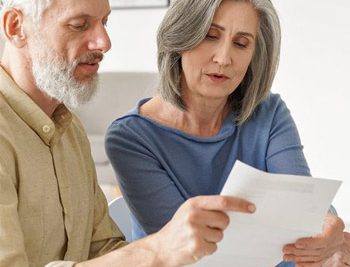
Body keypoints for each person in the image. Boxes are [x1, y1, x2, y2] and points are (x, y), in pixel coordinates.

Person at [0, 0, 258, 266]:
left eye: (105, 22)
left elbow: (103, 249)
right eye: (79, 25)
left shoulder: (70, 130)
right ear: (16, 27)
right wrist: (156, 251)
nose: (104, 42)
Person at [105, 0, 348, 266]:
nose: (223, 58)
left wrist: (326, 228)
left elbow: (305, 209)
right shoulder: (130, 138)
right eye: (210, 36)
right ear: (181, 37)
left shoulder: (269, 112)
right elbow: (190, 256)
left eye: (241, 43)